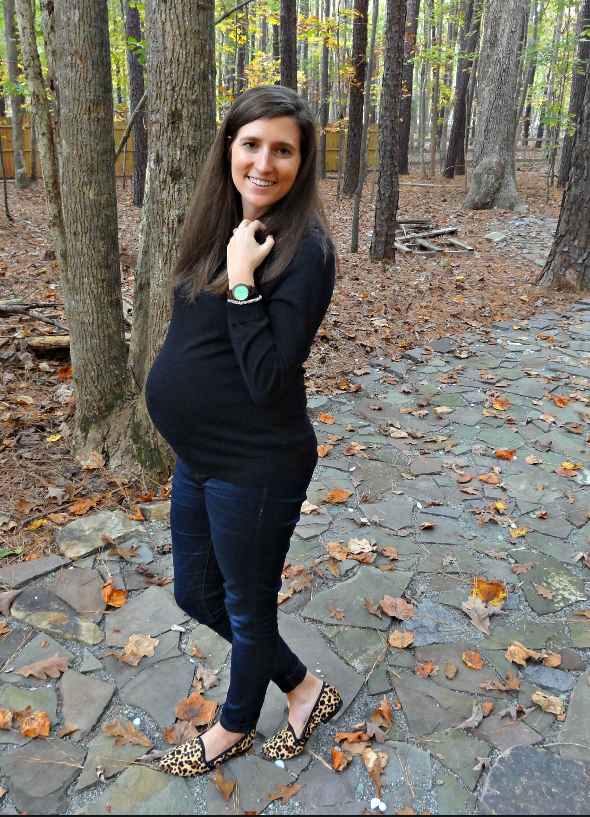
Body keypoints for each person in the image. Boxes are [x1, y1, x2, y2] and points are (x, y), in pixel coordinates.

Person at [145, 85, 341, 777]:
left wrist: (240, 280)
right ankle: (304, 687)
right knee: (196, 593)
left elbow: (267, 377)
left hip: (257, 465)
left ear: (303, 160)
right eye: (251, 143)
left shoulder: (305, 252)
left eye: (283, 149)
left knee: (246, 608)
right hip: (202, 456)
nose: (264, 161)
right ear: (230, 146)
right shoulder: (221, 223)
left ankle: (232, 728)